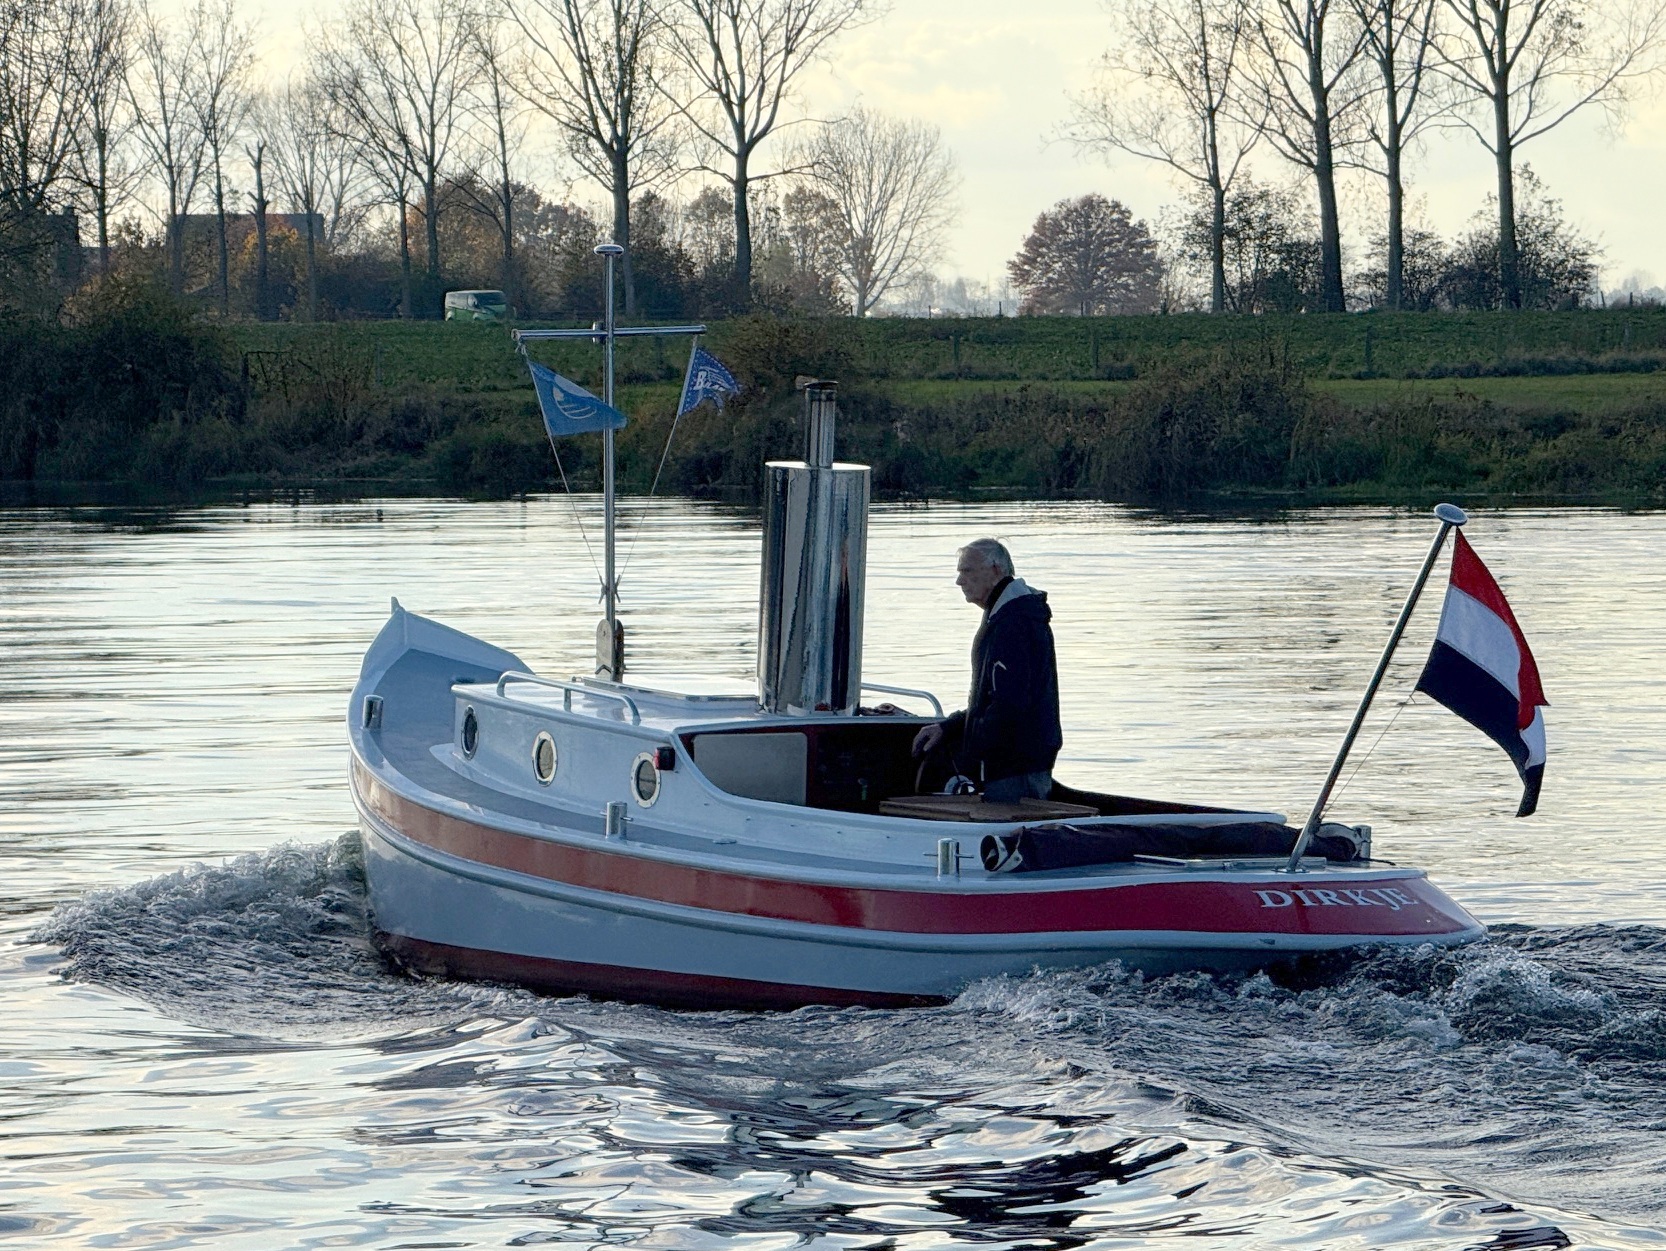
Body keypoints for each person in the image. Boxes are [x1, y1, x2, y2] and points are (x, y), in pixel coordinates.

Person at [911, 538, 1062, 802]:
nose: (959, 581)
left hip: (1015, 768)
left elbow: (1010, 703)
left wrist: (972, 750)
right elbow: (994, 698)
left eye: (966, 571)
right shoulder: (1007, 614)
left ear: (995, 570)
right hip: (1017, 763)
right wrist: (950, 727)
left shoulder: (1014, 622)